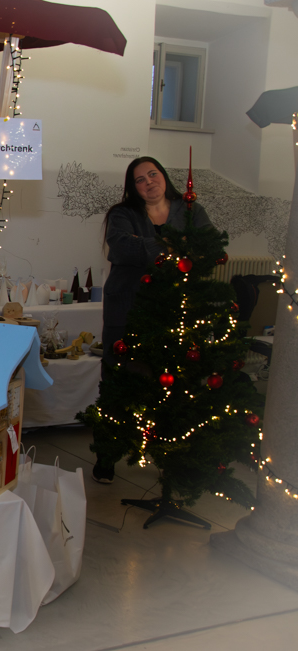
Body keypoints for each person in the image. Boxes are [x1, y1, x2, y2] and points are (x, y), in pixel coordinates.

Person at [92, 157, 212, 483]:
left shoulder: (190, 210)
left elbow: (208, 246)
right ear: (133, 188)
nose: (149, 182)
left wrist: (149, 248)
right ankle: (107, 456)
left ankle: (172, 457)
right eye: (140, 180)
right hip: (127, 310)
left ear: (164, 176)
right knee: (118, 385)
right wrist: (172, 246)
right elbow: (120, 248)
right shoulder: (122, 214)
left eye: (153, 174)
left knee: (175, 387)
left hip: (174, 313)